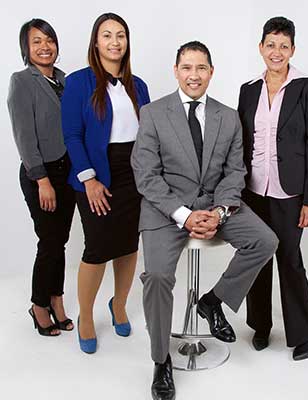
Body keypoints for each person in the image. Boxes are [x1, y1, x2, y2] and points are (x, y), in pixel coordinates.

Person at [132, 41, 278, 400]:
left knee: (265, 240)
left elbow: (235, 171)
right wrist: (183, 215)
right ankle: (161, 360)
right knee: (158, 276)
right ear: (176, 71)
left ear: (211, 72)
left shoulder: (228, 116)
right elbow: (146, 175)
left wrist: (219, 212)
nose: (193, 75)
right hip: (166, 209)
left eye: (201, 68)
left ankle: (213, 300)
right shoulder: (153, 113)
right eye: (186, 67)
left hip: (215, 205)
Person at [61, 13, 150, 354]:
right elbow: (72, 135)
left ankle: (119, 304)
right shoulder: (78, 82)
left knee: (128, 244)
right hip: (96, 173)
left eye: (121, 35)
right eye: (107, 35)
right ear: (96, 43)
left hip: (134, 173)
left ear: (127, 42)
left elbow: (149, 134)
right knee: (97, 248)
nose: (115, 41)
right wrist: (90, 180)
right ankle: (85, 315)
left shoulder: (139, 85)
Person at [238, 16, 308, 360]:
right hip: (253, 191)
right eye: (271, 45)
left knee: (289, 259)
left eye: (283, 46)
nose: (276, 52)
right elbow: (242, 143)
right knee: (258, 257)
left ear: (293, 50)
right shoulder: (248, 90)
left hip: (290, 193)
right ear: (261, 47)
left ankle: (305, 333)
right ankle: (260, 325)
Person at [8, 19, 75, 337]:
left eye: (49, 40)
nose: (45, 46)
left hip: (68, 171)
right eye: (36, 41)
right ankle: (38, 305)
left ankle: (56, 299)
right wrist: (42, 181)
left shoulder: (64, 80)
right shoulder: (22, 81)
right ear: (26, 47)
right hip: (41, 174)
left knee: (60, 241)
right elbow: (24, 136)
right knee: (49, 241)